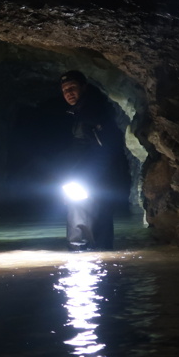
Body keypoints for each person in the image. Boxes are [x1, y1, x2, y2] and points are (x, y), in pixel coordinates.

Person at [58, 70, 125, 250]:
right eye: (65, 90)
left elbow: (103, 150)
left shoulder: (92, 113)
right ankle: (103, 263)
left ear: (84, 88)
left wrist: (80, 178)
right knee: (95, 224)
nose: (69, 93)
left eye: (72, 88)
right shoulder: (81, 113)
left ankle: (85, 258)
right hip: (89, 176)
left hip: (92, 178)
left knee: (84, 226)